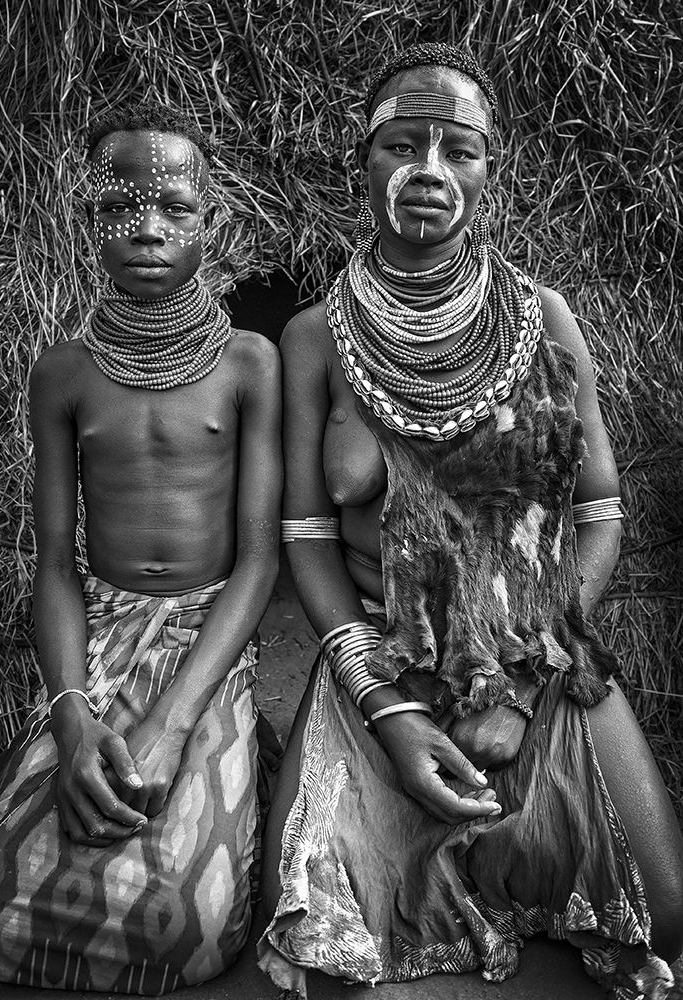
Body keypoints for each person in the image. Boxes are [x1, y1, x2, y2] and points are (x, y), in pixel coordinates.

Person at [259, 43, 683, 1000]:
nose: (428, 172)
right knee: (317, 940)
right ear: (360, 164)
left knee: (660, 913)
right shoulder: (315, 338)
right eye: (401, 146)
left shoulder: (543, 316)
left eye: (460, 150)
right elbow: (306, 541)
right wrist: (387, 708)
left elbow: (600, 515)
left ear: (493, 171)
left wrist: (523, 684)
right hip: (380, 656)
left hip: (534, 648)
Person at [0, 101, 282, 994]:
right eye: (117, 208)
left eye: (175, 207)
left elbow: (258, 561)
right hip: (97, 641)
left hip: (206, 643)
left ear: (211, 222)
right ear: (86, 223)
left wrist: (174, 722)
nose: (146, 228)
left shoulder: (251, 363)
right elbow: (55, 561)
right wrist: (69, 711)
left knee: (183, 929)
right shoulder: (62, 370)